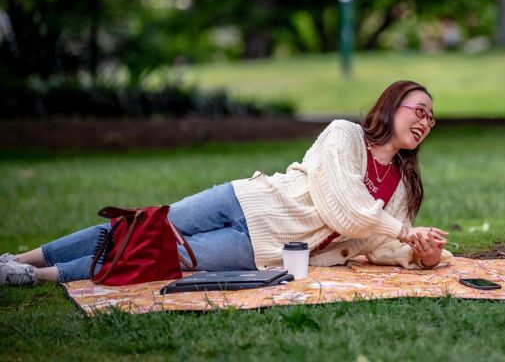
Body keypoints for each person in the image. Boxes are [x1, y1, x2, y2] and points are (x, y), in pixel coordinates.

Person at [0, 81, 452, 286]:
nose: (425, 121)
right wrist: (404, 231)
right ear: (391, 106)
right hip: (244, 200)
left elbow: (381, 244)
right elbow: (345, 208)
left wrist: (426, 253)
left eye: (431, 117)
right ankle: (17, 258)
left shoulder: (401, 188)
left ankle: (35, 276)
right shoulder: (343, 135)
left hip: (260, 249)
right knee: (140, 226)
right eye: (419, 109)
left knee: (162, 256)